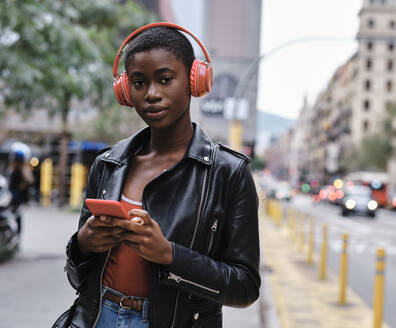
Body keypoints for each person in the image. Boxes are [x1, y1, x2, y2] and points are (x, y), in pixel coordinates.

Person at [57, 23, 260, 328]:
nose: (151, 94)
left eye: (165, 80)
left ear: (195, 81)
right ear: (125, 92)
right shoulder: (108, 163)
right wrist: (83, 244)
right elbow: (78, 276)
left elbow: (245, 287)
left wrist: (169, 254)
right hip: (98, 317)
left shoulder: (228, 173)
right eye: (139, 83)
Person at [7, 148, 34, 234]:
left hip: (17, 198)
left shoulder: (22, 169)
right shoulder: (14, 169)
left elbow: (30, 181)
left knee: (16, 217)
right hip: (12, 197)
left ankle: (15, 236)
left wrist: (20, 187)